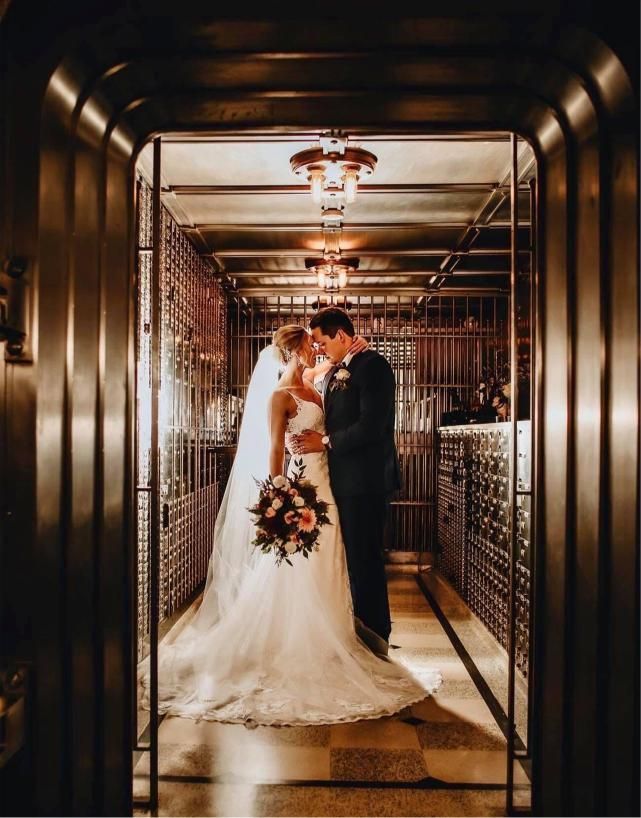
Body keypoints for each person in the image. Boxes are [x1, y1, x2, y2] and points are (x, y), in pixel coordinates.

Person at [140, 324, 440, 726]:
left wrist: (354, 347)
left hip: (328, 486)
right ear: (295, 353)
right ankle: (298, 641)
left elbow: (341, 368)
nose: (315, 349)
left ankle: (340, 636)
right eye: (308, 345)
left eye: (319, 342)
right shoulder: (280, 396)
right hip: (301, 482)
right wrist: (280, 492)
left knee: (333, 559)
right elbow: (275, 450)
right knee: (298, 565)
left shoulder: (318, 380)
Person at [292, 308, 400, 647]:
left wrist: (325, 441)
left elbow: (371, 426)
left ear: (341, 336)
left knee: (366, 558)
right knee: (350, 559)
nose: (320, 349)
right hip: (342, 481)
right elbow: (306, 372)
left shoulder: (375, 367)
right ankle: (358, 629)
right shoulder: (339, 368)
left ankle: (377, 635)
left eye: (323, 341)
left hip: (365, 482)